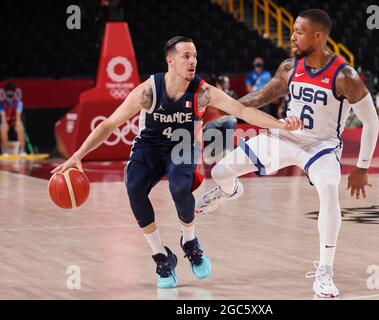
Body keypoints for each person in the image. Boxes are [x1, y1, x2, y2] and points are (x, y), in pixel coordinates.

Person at [51, 36, 300, 289]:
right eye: (186, 56)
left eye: (194, 56)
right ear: (170, 60)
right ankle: (161, 256)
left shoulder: (203, 92)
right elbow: (108, 124)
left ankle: (190, 243)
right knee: (134, 186)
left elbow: (243, 111)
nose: (192, 61)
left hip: (183, 146)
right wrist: (77, 155)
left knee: (180, 188)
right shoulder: (149, 91)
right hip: (149, 147)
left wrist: (281, 125)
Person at [196, 9, 379, 298]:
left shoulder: (345, 76)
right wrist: (223, 111)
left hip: (321, 147)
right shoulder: (289, 67)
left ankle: (325, 272)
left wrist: (362, 167)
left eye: (299, 32)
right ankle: (230, 191)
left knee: (330, 188)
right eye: (293, 30)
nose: (292, 36)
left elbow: (372, 121)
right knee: (220, 172)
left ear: (318, 36)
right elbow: (261, 96)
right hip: (285, 137)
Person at [0, 82, 26, 155]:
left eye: (11, 96)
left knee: (20, 128)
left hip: (14, 121)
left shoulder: (18, 103)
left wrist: (18, 124)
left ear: (14, 94)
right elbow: (3, 118)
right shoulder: (1, 104)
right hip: (5, 120)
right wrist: (4, 125)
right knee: (3, 128)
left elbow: (18, 117)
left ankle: (22, 150)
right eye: (8, 95)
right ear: (5, 94)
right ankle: (5, 150)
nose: (9, 98)